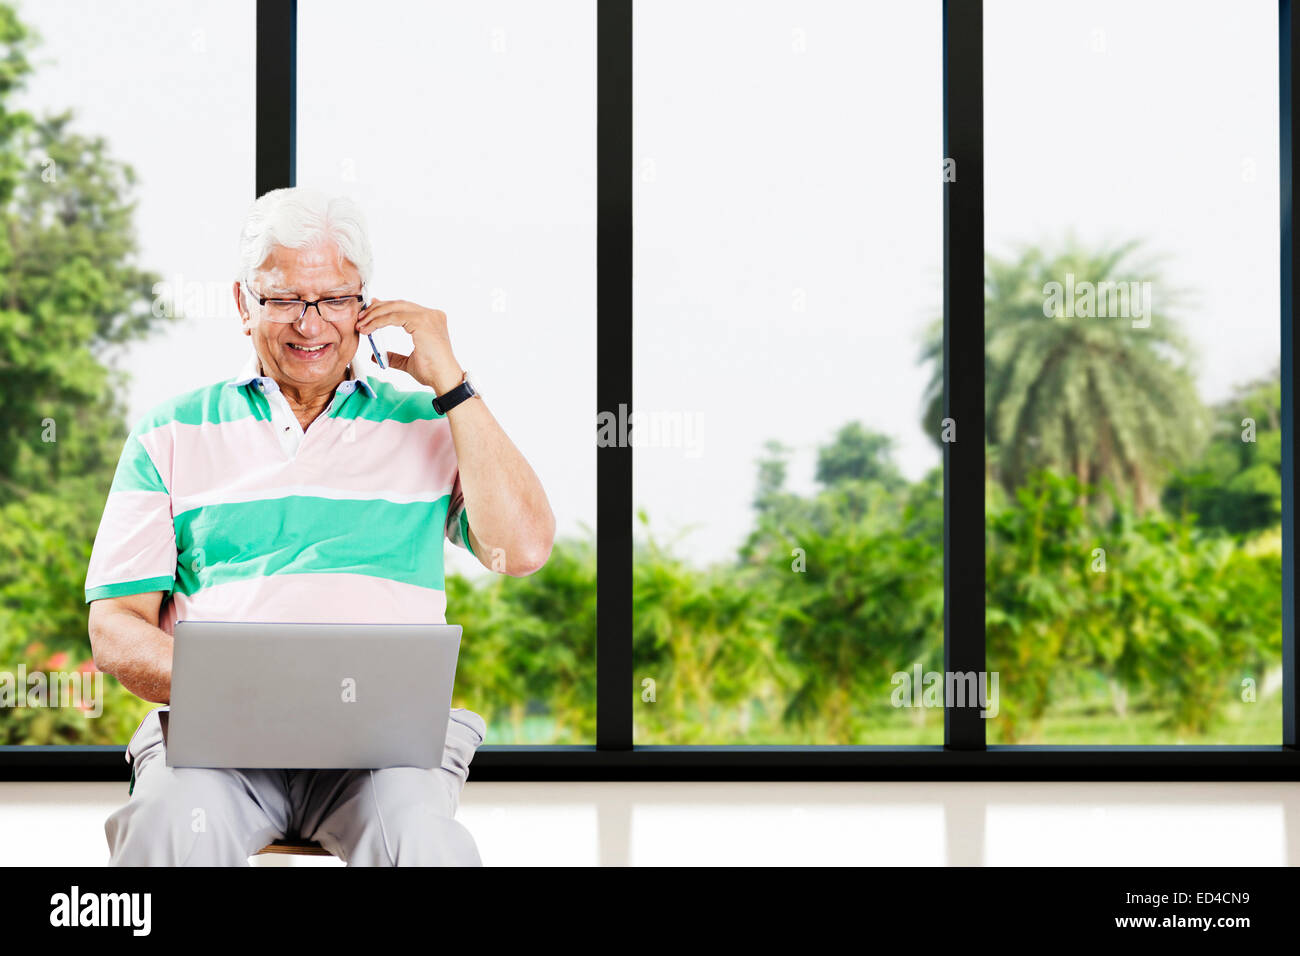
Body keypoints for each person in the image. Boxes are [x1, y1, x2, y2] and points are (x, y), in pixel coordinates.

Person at [85, 187, 554, 865]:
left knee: (422, 841)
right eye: (283, 300)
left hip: (382, 758)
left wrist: (451, 381)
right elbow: (116, 628)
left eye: (335, 299)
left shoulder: (429, 423)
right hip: (220, 750)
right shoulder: (169, 433)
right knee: (165, 825)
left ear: (365, 306)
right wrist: (246, 687)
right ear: (244, 304)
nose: (311, 324)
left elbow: (526, 549)